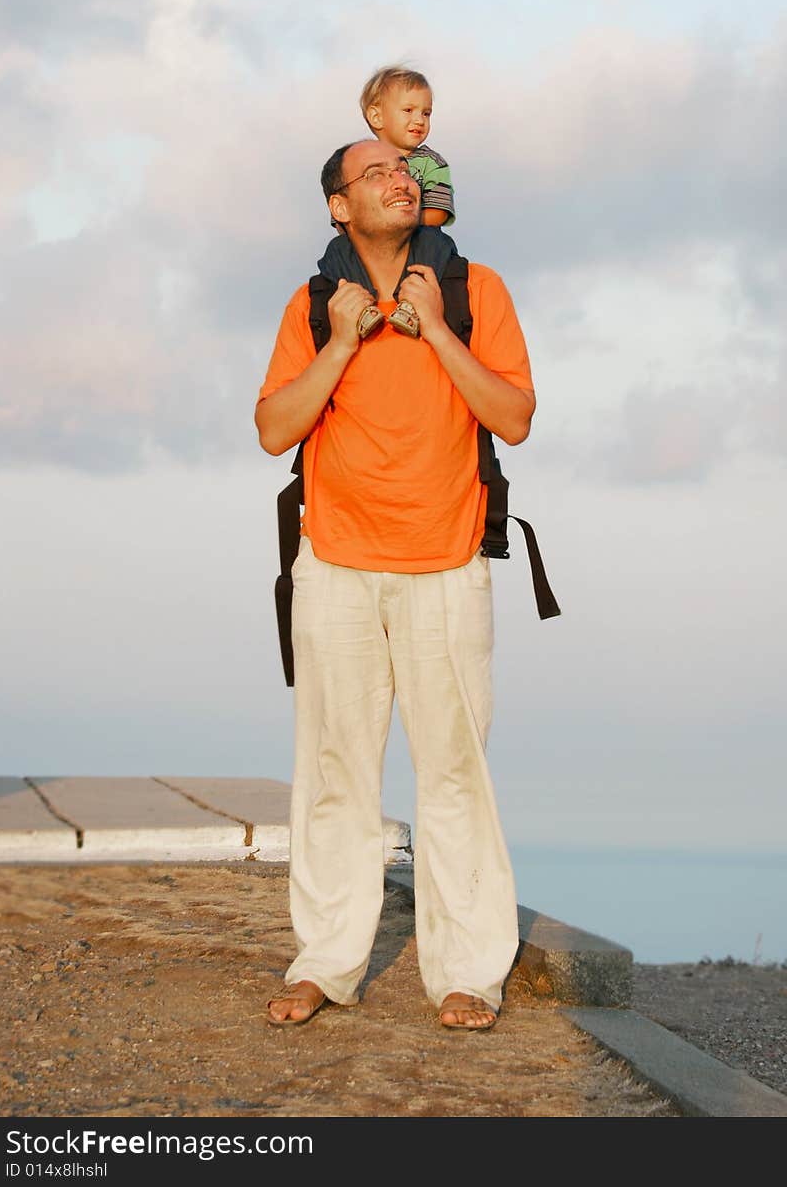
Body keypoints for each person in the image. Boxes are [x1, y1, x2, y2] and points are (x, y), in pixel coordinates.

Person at [255, 137, 535, 1030]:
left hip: (448, 561)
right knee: (335, 771)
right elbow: (273, 429)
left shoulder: (473, 288)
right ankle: (326, 962)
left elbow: (514, 417)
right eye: (374, 173)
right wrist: (341, 341)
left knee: (455, 774)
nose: (398, 179)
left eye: (404, 171)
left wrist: (438, 329)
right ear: (339, 205)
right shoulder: (312, 306)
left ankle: (468, 973)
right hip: (334, 559)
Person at [360, 64, 455, 227]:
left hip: (419, 244)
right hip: (373, 243)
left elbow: (438, 212)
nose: (419, 120)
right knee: (340, 246)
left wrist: (398, 221)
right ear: (377, 117)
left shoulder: (431, 163)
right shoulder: (359, 162)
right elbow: (345, 213)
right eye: (408, 110)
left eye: (426, 113)